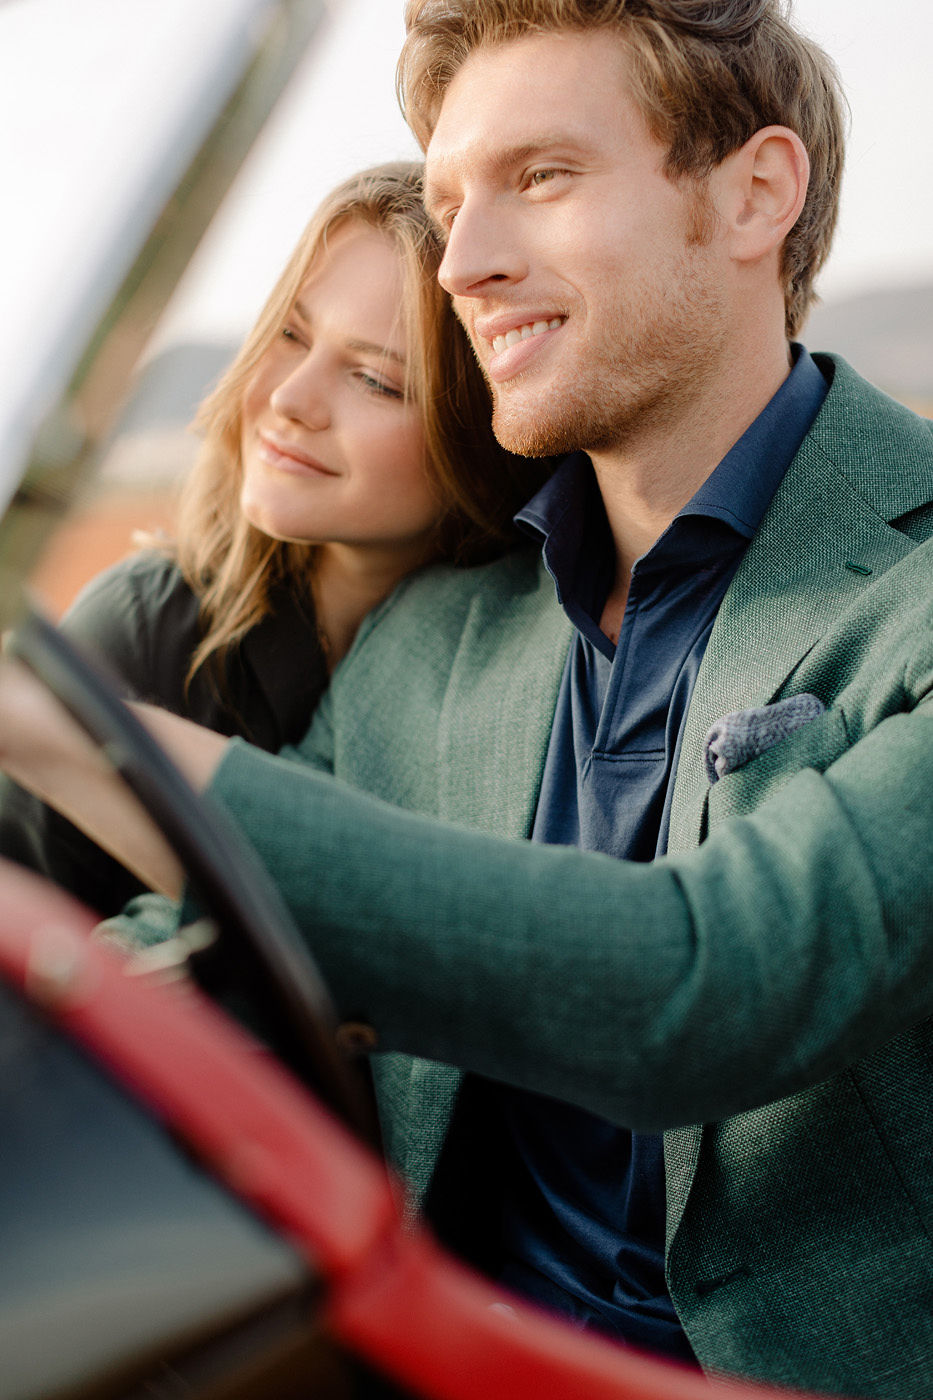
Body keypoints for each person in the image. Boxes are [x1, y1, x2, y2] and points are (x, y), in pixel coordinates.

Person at [2, 2, 933, 1395]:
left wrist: (74, 732)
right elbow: (226, 929)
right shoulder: (443, 624)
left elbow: (711, 983)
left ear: (755, 195)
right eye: (450, 201)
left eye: (541, 178)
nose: (470, 263)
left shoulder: (908, 590)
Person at [0, 159, 546, 917]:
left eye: (374, 381)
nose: (290, 400)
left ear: (483, 440)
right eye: (289, 335)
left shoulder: (539, 671)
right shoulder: (147, 631)